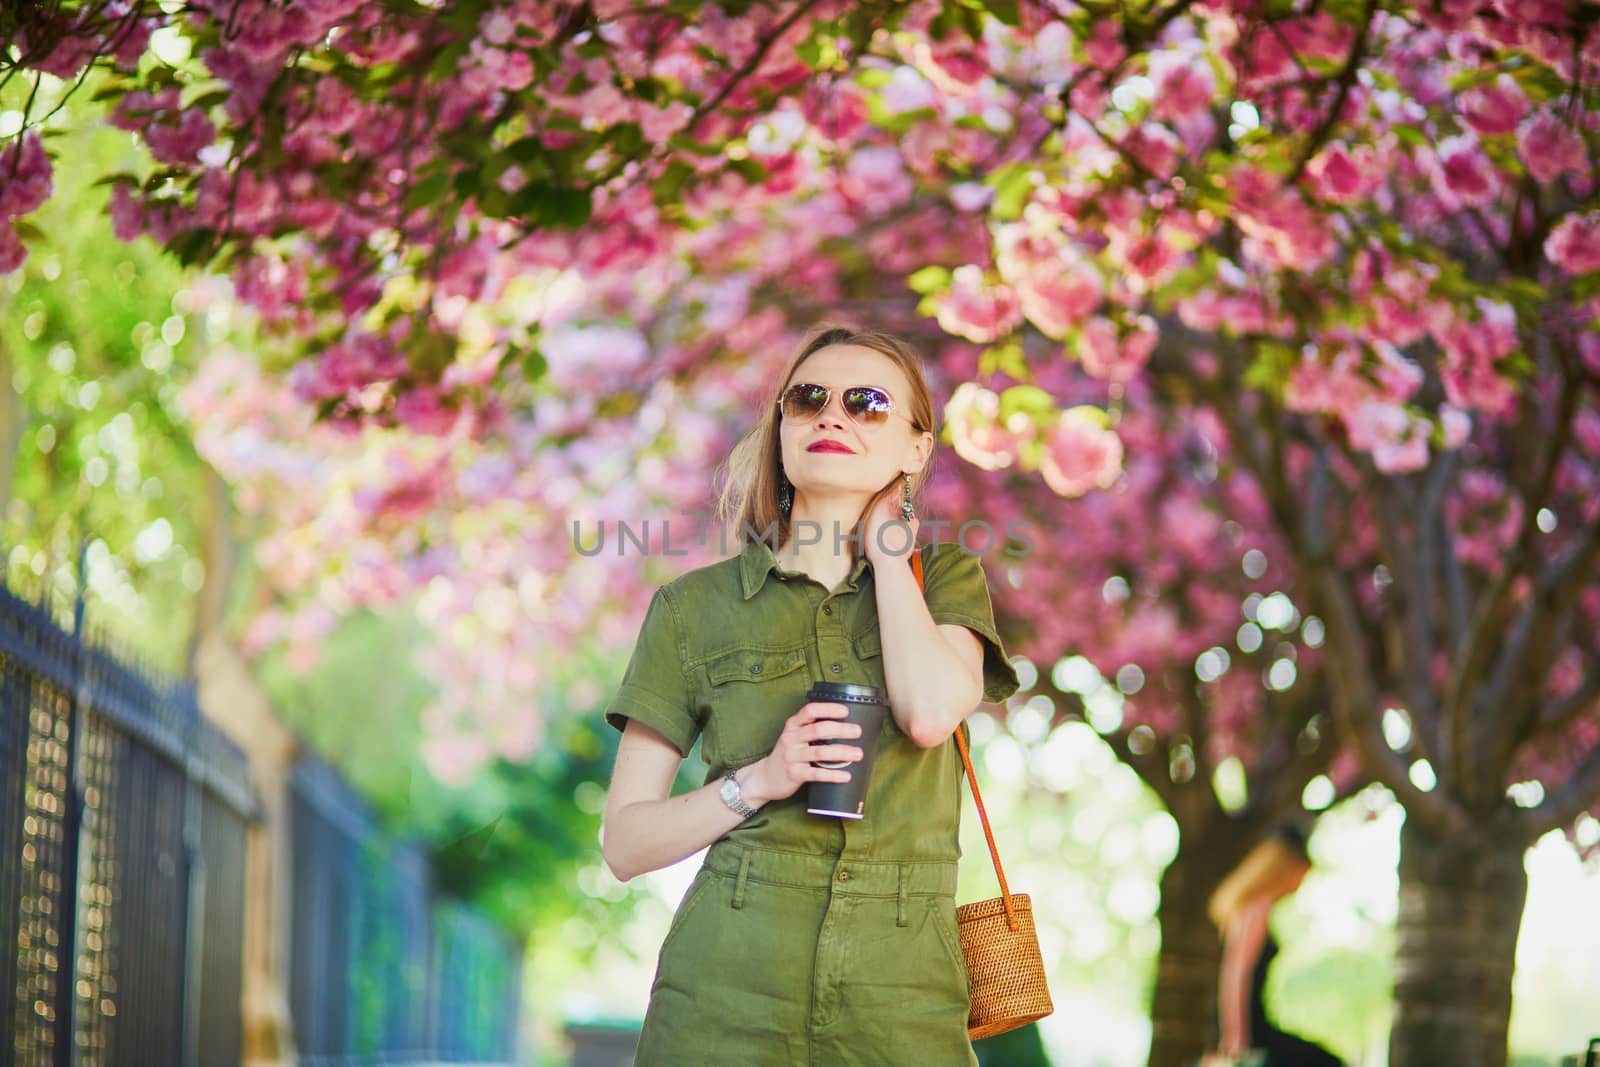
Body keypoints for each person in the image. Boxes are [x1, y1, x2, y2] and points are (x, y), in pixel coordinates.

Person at [600, 323, 1023, 1067]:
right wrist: (759, 780)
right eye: (808, 399)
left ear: (915, 448)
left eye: (866, 403)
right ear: (783, 429)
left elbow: (927, 714)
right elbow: (626, 844)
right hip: (725, 992)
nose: (832, 416)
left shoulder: (946, 582)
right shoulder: (692, 608)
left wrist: (889, 546)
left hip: (904, 999)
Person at [1204, 824, 1343, 1067]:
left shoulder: (1248, 908)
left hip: (1253, 1029)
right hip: (1253, 1033)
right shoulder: (1256, 908)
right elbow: (1236, 974)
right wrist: (1235, 1041)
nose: (1300, 884)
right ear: (1284, 867)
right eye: (1301, 874)